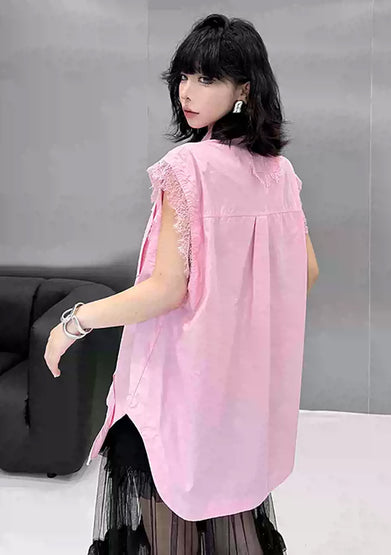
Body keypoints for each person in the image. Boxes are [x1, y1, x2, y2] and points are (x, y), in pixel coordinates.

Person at [44, 12, 319, 555]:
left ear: (244, 89)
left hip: (177, 389)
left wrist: (74, 322)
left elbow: (167, 289)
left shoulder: (186, 167)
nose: (187, 92)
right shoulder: (279, 173)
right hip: (244, 394)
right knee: (233, 519)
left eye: (207, 78)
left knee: (172, 530)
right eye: (183, 76)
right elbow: (304, 271)